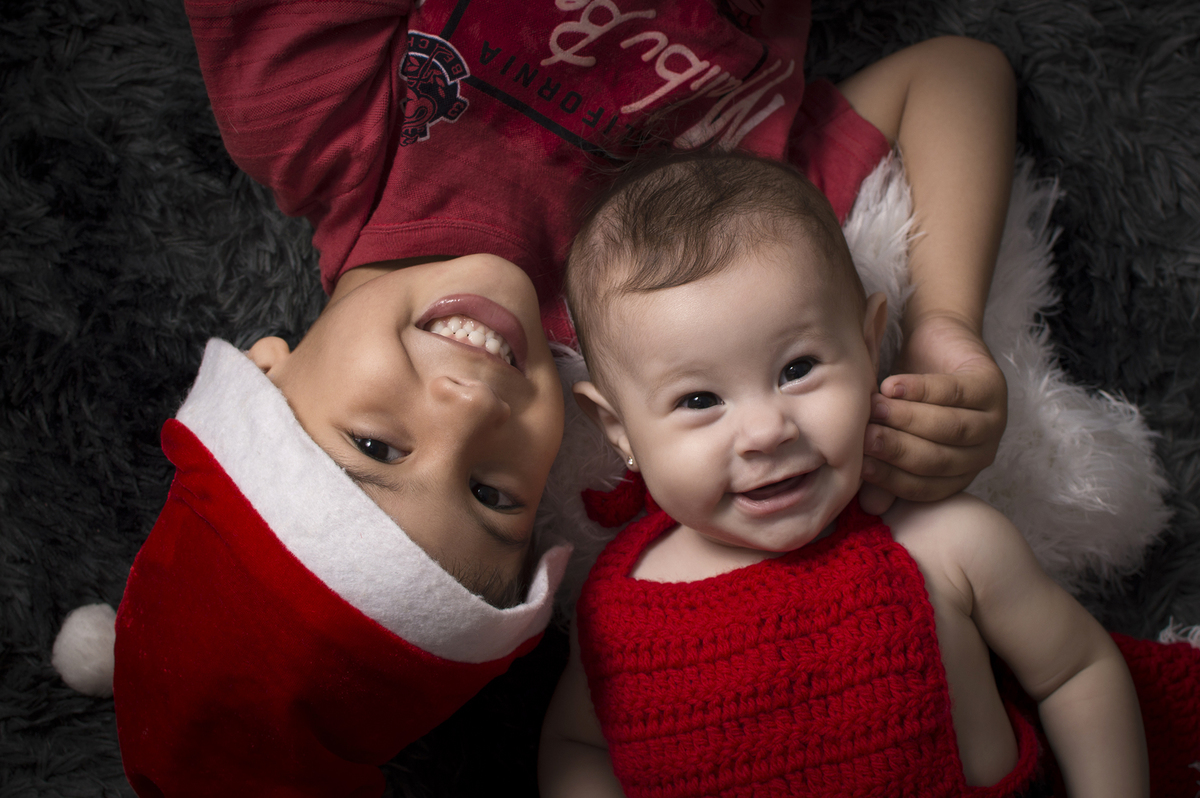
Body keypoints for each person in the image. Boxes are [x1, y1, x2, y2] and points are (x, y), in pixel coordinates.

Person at [112, 0, 1021, 794]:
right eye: (492, 493)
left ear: (266, 373)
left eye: (376, 448)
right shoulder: (681, 309)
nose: (471, 410)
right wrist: (944, 327)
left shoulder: (322, 124)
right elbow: (954, 77)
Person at [539, 151, 1153, 797]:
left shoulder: (947, 541)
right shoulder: (618, 608)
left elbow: (1075, 671)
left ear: (867, 345)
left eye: (797, 369)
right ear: (619, 429)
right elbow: (577, 744)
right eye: (699, 400)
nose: (766, 430)